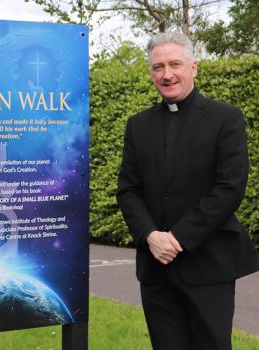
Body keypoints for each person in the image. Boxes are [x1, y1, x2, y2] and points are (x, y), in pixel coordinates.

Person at [117, 32, 259, 350]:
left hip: (209, 264)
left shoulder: (226, 119)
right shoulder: (137, 125)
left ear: (194, 67)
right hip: (156, 269)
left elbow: (230, 187)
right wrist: (151, 236)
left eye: (175, 64)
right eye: (158, 67)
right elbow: (128, 190)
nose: (166, 74)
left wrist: (177, 238)